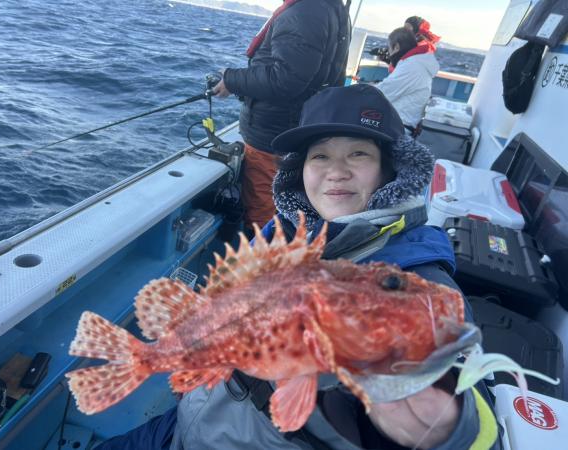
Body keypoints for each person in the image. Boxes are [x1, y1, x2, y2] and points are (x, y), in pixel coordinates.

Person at [97, 84, 500, 450]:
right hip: (190, 421)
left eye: (358, 153)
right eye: (320, 155)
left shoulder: (417, 282)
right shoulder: (285, 233)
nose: (336, 171)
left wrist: (449, 430)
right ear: (299, 171)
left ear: (391, 169)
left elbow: (473, 408)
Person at [212, 0, 351, 237]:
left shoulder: (304, 10)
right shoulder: (330, 8)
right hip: (295, 130)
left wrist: (231, 79)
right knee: (287, 209)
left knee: (263, 212)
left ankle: (264, 256)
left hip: (272, 139)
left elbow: (285, 79)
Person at [375, 27, 439, 131]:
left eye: (389, 48)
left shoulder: (412, 65)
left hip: (397, 128)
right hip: (398, 123)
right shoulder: (415, 62)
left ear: (396, 47)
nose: (389, 53)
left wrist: (362, 89)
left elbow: (382, 94)